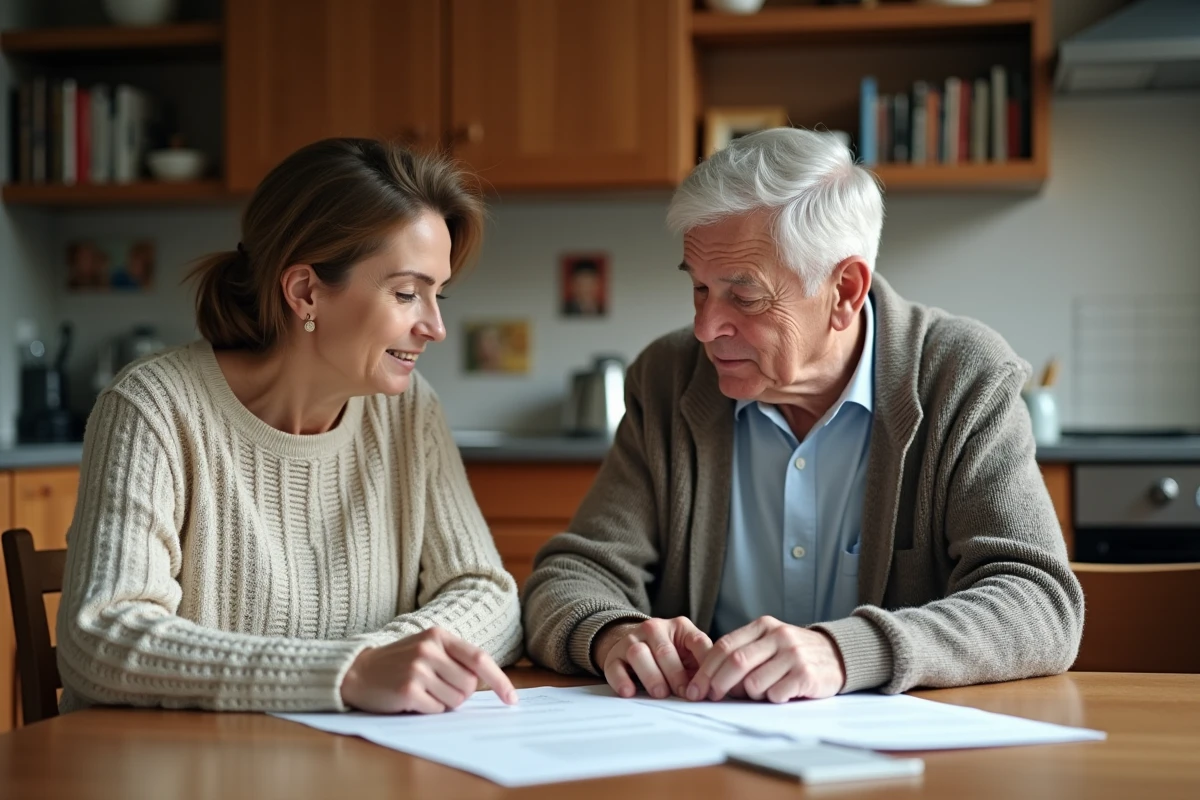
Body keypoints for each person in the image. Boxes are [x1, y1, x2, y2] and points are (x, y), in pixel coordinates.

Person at [522, 128, 1083, 704]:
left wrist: (846, 652)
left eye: (743, 296)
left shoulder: (961, 377)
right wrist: (614, 636)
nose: (706, 327)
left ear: (844, 291)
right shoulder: (668, 379)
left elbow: (1037, 603)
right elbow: (568, 579)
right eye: (699, 289)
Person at [57, 138, 522, 715]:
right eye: (407, 294)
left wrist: (381, 658)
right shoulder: (154, 407)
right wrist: (346, 673)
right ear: (305, 292)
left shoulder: (407, 410)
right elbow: (101, 638)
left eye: (438, 295)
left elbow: (489, 595)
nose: (435, 327)